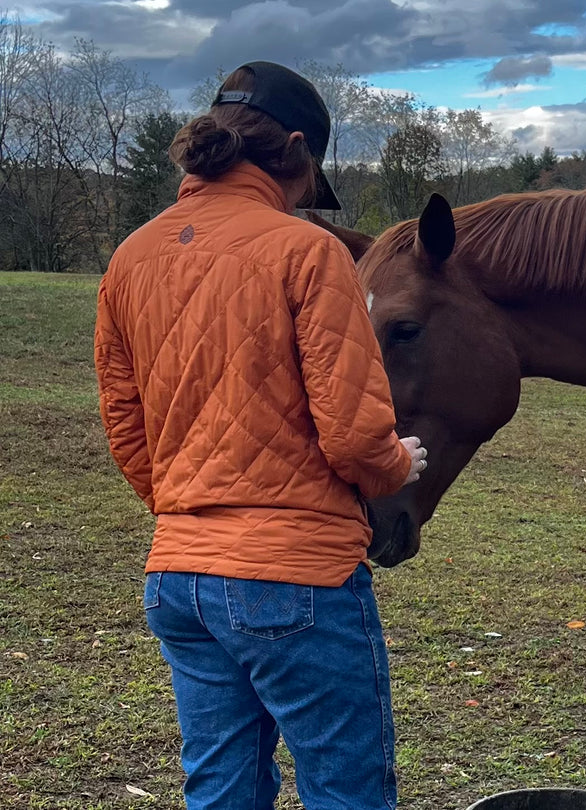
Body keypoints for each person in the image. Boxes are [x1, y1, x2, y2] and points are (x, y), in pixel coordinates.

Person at [93, 61, 426, 810]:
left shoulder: (130, 260)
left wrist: (188, 507)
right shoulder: (307, 252)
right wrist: (395, 462)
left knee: (221, 789)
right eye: (312, 180)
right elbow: (353, 436)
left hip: (177, 577)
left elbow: (126, 426)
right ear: (299, 150)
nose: (308, 197)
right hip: (296, 576)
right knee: (348, 790)